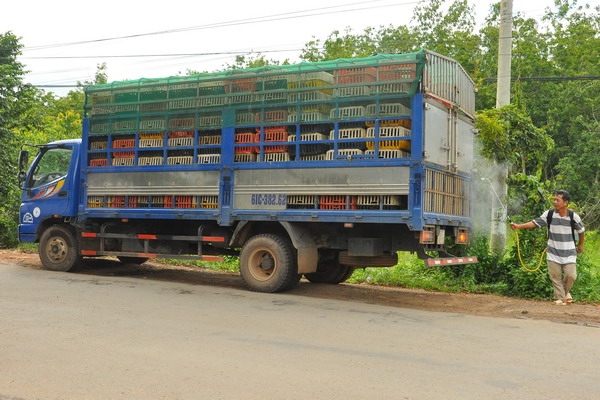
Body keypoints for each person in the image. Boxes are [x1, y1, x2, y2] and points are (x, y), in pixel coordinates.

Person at [510, 190, 585, 306]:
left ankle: (565, 294)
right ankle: (561, 299)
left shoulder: (573, 217)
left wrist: (580, 245)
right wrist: (518, 226)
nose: (554, 202)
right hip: (553, 252)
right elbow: (534, 223)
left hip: (569, 252)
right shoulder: (549, 215)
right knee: (556, 277)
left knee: (571, 275)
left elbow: (581, 232)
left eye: (557, 200)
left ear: (566, 203)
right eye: (554, 199)